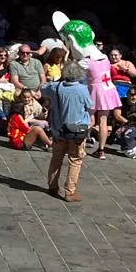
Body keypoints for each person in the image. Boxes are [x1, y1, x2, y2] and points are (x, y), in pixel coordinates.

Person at [43, 71, 93, 201]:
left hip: (58, 129)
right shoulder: (82, 89)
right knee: (75, 160)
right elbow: (89, 105)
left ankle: (52, 186)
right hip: (76, 130)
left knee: (56, 158)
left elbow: (42, 88)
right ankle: (70, 192)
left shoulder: (55, 87)